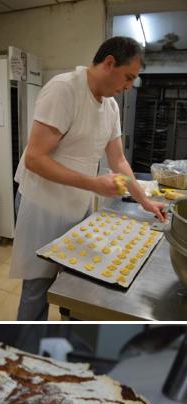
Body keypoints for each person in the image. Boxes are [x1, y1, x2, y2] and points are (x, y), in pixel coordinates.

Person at [9, 36, 167, 321]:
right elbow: (35, 158)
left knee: (74, 284)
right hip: (42, 205)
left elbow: (118, 160)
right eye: (128, 77)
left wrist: (145, 201)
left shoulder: (110, 107)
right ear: (109, 63)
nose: (129, 86)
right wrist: (94, 184)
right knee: (37, 287)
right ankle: (26, 342)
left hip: (76, 204)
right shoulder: (64, 90)